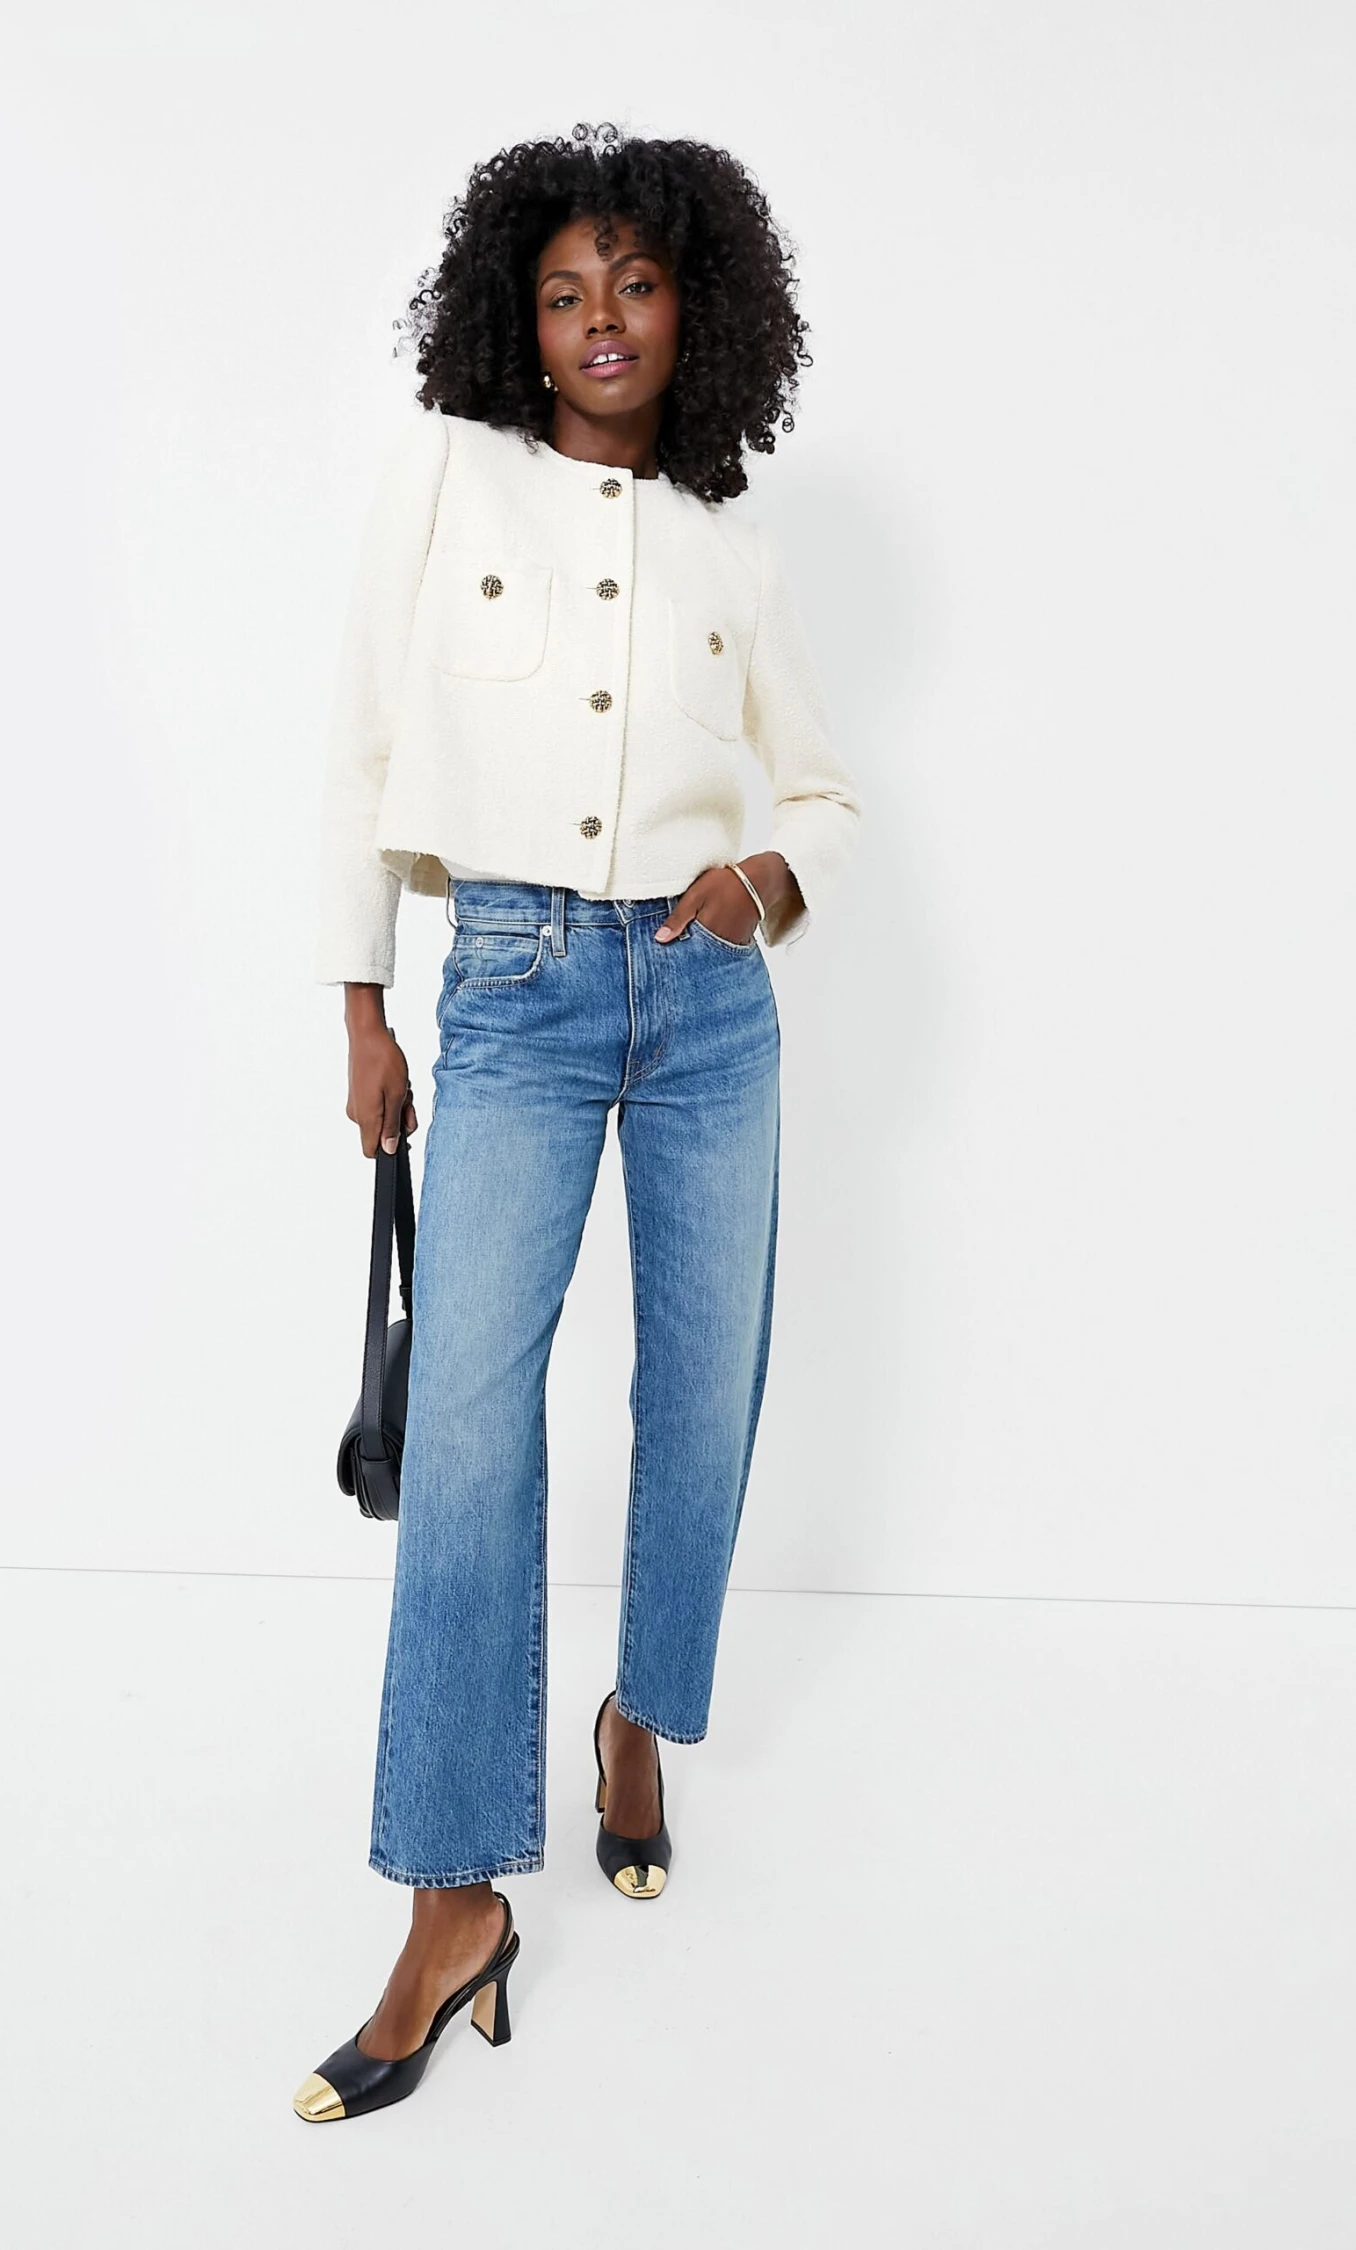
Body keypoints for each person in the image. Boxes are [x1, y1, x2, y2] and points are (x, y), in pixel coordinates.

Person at [295, 122, 862, 2123]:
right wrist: (361, 999)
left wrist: (768, 879)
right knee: (469, 1430)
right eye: (562, 291)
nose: (600, 317)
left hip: (708, 1002)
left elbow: (824, 792)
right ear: (513, 321)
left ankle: (640, 1719)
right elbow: (364, 739)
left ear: (695, 307)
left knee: (704, 1401)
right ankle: (454, 1899)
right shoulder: (449, 475)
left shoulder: (735, 545)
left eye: (633, 281)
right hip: (515, 988)